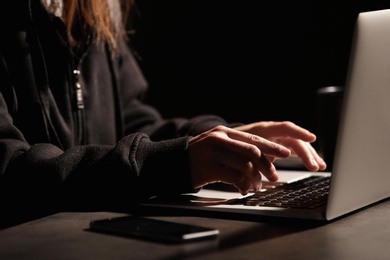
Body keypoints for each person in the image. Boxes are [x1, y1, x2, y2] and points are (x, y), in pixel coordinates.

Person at [0, 0, 326, 228]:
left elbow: (132, 123)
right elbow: (10, 171)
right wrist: (172, 163)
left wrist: (222, 138)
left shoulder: (94, 7)